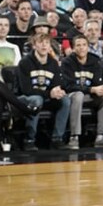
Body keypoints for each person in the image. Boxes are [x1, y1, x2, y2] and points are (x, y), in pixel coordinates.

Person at [16, 19, 72, 150]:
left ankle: (57, 138)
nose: (44, 46)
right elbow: (26, 90)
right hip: (24, 99)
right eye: (40, 43)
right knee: (36, 99)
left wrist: (58, 91)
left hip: (45, 97)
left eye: (46, 43)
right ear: (34, 45)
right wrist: (49, 93)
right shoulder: (25, 62)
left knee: (65, 100)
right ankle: (29, 139)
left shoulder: (53, 63)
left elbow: (57, 84)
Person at [60, 32, 103, 150]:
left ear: (88, 47)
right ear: (73, 48)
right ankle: (74, 137)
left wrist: (102, 88)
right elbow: (68, 86)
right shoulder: (67, 62)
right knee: (78, 95)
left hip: (89, 95)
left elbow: (98, 82)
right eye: (78, 45)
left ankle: (102, 136)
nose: (81, 47)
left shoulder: (95, 60)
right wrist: (92, 89)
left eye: (84, 45)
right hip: (72, 96)